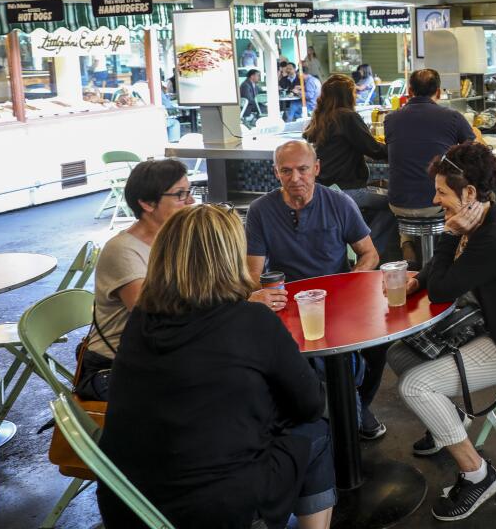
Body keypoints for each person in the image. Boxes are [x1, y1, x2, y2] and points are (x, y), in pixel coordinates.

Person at [98, 205, 335, 529]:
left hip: (129, 504)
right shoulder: (251, 320)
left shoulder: (140, 321)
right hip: (215, 508)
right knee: (317, 430)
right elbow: (308, 405)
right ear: (229, 257)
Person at [388, 141, 496, 521]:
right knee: (398, 353)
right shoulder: (481, 220)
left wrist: (448, 237)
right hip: (490, 325)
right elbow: (437, 272)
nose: (435, 199)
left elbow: (446, 287)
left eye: (442, 192)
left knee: (415, 385)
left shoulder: (495, 237)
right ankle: (451, 421)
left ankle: (478, 474)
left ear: (468, 193)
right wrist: (418, 280)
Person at [245, 140, 388, 440]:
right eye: (286, 171)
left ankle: (356, 403)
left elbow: (369, 254)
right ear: (276, 173)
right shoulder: (260, 211)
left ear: (317, 169)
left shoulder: (340, 204)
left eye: (302, 169)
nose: (295, 178)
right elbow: (253, 273)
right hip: (289, 305)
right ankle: (336, 412)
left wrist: (349, 284)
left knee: (378, 344)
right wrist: (258, 294)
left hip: (339, 301)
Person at [75, 159, 195, 401]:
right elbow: (155, 318)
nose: (190, 201)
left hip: (157, 355)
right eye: (181, 194)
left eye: (189, 192)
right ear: (147, 203)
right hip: (113, 366)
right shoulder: (123, 251)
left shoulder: (174, 240)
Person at [384, 68, 477, 261]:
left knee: (412, 188)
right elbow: (473, 151)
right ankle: (462, 255)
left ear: (409, 91)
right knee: (479, 196)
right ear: (439, 92)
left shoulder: (390, 119)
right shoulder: (452, 117)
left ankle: (407, 243)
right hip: (435, 204)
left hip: (398, 204)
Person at [302, 74, 396, 254]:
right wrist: (398, 151)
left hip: (324, 190)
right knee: (393, 203)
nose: (356, 96)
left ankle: (362, 245)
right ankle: (371, 252)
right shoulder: (347, 117)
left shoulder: (321, 117)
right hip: (346, 190)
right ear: (347, 95)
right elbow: (373, 149)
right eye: (354, 92)